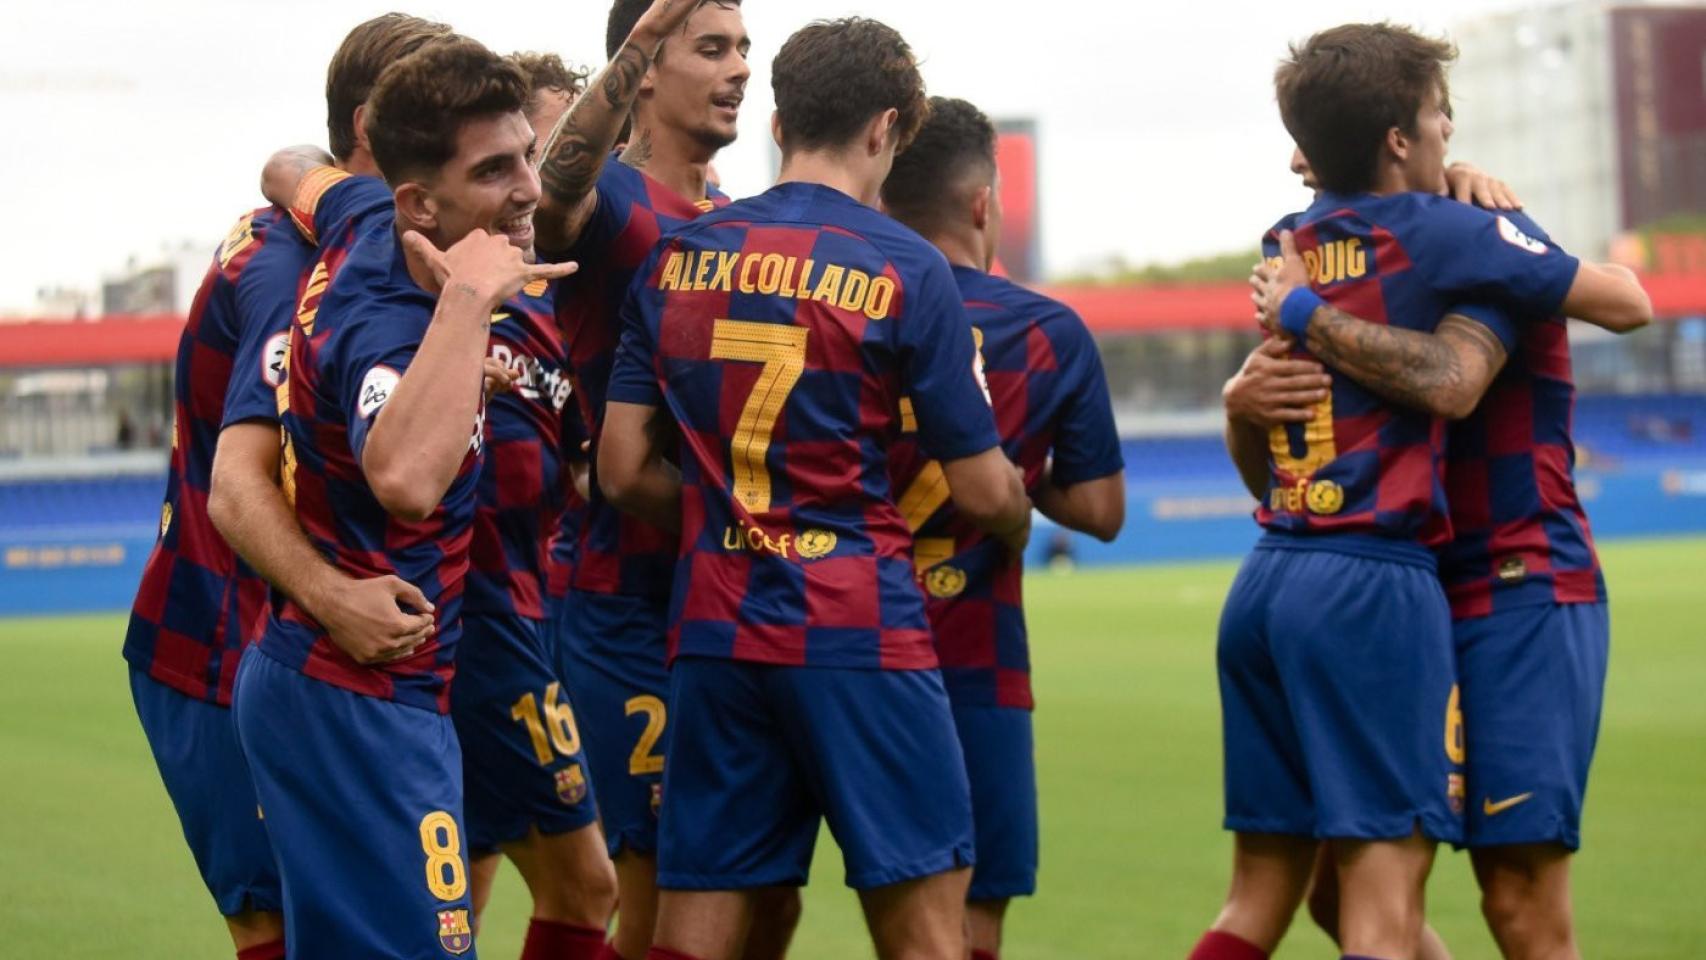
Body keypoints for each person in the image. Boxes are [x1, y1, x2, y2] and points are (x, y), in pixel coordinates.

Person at [1191, 23, 1650, 960]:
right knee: (1347, 893)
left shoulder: (1439, 243)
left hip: (1518, 585)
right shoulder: (1398, 239)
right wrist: (1241, 404)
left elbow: (1469, 375)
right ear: (1402, 136)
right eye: (1442, 114)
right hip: (1400, 585)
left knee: (1516, 900)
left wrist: (1309, 308)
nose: (1452, 131)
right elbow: (1281, 470)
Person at [598, 18, 1032, 960]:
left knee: (694, 930)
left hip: (715, 633)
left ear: (779, 121)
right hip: (859, 630)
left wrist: (733, 521)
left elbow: (622, 468)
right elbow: (981, 489)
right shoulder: (907, 266)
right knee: (926, 930)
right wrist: (1018, 513)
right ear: (885, 128)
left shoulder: (677, 258)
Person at [230, 37, 575, 958]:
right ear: (419, 203)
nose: (529, 189)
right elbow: (405, 481)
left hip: (334, 686)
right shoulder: (392, 326)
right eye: (494, 170)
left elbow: (288, 167)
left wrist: (460, 366)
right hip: (362, 699)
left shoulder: (356, 212)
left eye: (527, 156)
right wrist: (469, 306)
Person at [133, 15, 450, 960]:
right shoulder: (294, 272)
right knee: (281, 929)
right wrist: (334, 597)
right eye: (438, 115)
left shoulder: (356, 250)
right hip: (227, 646)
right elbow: (238, 489)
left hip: (322, 660)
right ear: (373, 127)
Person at [530, 4, 793, 957]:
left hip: (735, 594)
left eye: (744, 49)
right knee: (650, 899)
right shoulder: (611, 200)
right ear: (641, 70)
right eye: (711, 49)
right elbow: (551, 196)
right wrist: (637, 38)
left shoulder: (739, 219)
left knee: (765, 898)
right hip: (625, 598)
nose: (740, 69)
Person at [879, 95, 1126, 960]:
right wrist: (1013, 467)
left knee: (752, 902)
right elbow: (1101, 513)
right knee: (967, 920)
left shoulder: (843, 307)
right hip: (973, 654)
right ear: (983, 203)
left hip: (832, 641)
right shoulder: (1047, 331)